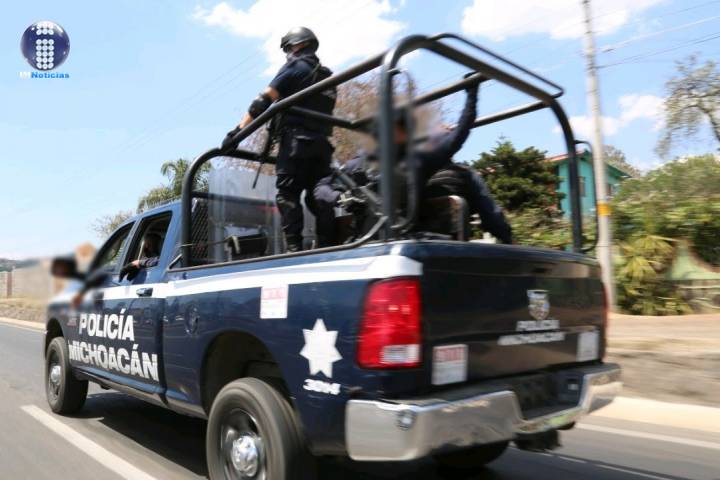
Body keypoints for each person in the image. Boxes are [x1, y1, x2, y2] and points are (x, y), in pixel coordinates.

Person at [314, 75, 510, 243]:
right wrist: (341, 198)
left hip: (400, 239)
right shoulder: (359, 164)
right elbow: (322, 188)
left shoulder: (417, 159)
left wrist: (471, 96)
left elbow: (457, 136)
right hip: (367, 241)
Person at [222, 27, 337, 252]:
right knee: (318, 196)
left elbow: (263, 101)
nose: (287, 54)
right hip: (323, 147)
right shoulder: (328, 78)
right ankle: (329, 245)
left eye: (288, 49)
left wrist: (236, 133)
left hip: (296, 145)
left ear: (298, 45)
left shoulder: (296, 67)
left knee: (288, 195)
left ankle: (295, 250)